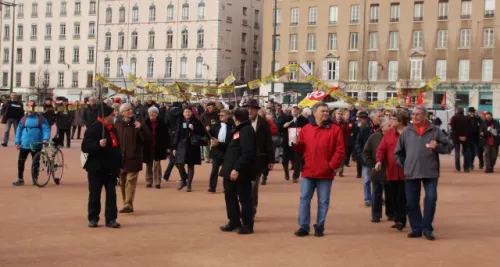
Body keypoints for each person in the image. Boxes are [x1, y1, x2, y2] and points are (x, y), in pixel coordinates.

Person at [395, 105, 452, 240]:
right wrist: (403, 163)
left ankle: (427, 228)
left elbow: (448, 147)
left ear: (425, 115)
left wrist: (437, 146)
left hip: (430, 171)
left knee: (431, 200)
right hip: (411, 171)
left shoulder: (435, 130)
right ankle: (416, 228)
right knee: (411, 202)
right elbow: (398, 152)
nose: (414, 117)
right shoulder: (406, 132)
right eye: (413, 114)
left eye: (418, 114)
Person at [292, 102, 345, 237]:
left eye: (327, 111)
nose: (326, 113)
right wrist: (296, 144)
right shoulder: (306, 128)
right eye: (323, 111)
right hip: (309, 171)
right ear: (315, 113)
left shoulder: (335, 129)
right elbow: (300, 149)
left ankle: (320, 226)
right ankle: (304, 226)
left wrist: (331, 166)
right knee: (304, 199)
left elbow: (340, 151)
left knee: (323, 201)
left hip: (325, 173)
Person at [82, 104, 122, 228]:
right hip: (96, 167)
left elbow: (117, 148)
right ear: (105, 116)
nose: (113, 116)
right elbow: (85, 147)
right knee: (94, 194)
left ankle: (111, 219)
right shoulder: (94, 128)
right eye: (111, 114)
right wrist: (97, 144)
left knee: (111, 194)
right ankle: (93, 218)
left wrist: (120, 165)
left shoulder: (113, 129)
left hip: (110, 168)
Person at [219, 108, 256, 235]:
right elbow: (231, 148)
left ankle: (247, 224)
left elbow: (247, 153)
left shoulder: (246, 131)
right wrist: (218, 144)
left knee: (244, 199)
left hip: (240, 171)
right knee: (230, 197)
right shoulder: (237, 130)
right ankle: (234, 221)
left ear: (236, 118)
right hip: (229, 169)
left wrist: (237, 168)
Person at [376, 109, 410, 231]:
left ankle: (401, 219)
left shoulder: (410, 133)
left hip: (407, 171)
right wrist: (379, 160)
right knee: (393, 196)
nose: (391, 121)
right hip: (391, 170)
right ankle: (398, 218)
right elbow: (381, 149)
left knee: (403, 196)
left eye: (394, 119)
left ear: (401, 121)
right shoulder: (389, 133)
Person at [115, 103, 150, 213]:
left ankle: (128, 204)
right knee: (122, 181)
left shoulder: (139, 123)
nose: (130, 111)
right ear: (122, 113)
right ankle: (126, 202)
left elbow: (148, 138)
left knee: (131, 181)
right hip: (121, 158)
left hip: (134, 157)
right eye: (127, 110)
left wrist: (140, 129)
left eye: (130, 109)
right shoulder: (118, 124)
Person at [242, 99, 273, 219]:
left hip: (257, 160)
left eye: (252, 109)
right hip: (243, 159)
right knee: (243, 187)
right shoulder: (241, 122)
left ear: (256, 110)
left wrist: (271, 159)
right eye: (247, 109)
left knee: (253, 186)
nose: (249, 111)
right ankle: (244, 209)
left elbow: (268, 142)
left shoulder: (263, 124)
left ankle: (252, 210)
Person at [12, 101, 51, 186]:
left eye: (32, 108)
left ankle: (35, 178)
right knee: (21, 162)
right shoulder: (24, 118)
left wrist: (46, 139)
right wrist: (17, 141)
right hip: (24, 144)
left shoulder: (41, 118)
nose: (30, 110)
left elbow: (46, 129)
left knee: (36, 162)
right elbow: (19, 130)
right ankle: (20, 178)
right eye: (28, 108)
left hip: (36, 144)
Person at [363, 117, 393, 223]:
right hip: (377, 170)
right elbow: (366, 153)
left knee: (390, 193)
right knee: (376, 193)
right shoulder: (374, 137)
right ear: (382, 127)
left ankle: (391, 214)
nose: (391, 127)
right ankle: (376, 215)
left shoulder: (396, 137)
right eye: (389, 125)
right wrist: (372, 165)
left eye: (392, 125)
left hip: (391, 170)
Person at [172, 105, 205, 192]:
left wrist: (194, 128)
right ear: (183, 113)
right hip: (181, 145)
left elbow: (202, 132)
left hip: (192, 145)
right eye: (186, 112)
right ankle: (184, 179)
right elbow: (177, 134)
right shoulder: (180, 121)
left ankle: (189, 184)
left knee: (191, 165)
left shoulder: (197, 121)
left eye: (189, 112)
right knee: (179, 163)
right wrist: (174, 147)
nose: (187, 113)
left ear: (192, 112)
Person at [355, 110, 382, 207]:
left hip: (379, 158)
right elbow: (358, 142)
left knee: (380, 180)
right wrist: (361, 154)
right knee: (367, 179)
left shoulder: (383, 128)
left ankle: (378, 198)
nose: (381, 118)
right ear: (373, 117)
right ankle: (367, 198)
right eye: (379, 116)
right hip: (367, 158)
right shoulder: (365, 128)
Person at [280, 105, 308, 183]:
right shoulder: (286, 118)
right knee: (284, 160)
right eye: (293, 109)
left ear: (299, 110)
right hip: (287, 143)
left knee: (297, 160)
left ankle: (295, 176)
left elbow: (307, 130)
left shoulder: (303, 120)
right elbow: (279, 128)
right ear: (291, 110)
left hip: (298, 143)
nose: (295, 110)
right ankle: (286, 172)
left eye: (297, 109)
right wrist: (283, 126)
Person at [209, 109, 233, 193]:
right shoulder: (216, 125)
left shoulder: (232, 126)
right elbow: (211, 134)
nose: (220, 117)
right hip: (216, 150)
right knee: (214, 169)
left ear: (228, 116)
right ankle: (212, 187)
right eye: (220, 115)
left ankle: (226, 188)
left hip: (227, 150)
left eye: (222, 115)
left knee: (226, 170)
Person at [144, 106, 169, 189]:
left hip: (158, 146)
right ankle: (149, 181)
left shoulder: (162, 123)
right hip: (148, 146)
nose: (152, 114)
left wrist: (167, 146)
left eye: (154, 112)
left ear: (157, 114)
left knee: (157, 164)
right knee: (149, 164)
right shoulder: (145, 123)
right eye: (150, 112)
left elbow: (166, 136)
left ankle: (157, 181)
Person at [258, 108, 278, 185]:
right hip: (259, 144)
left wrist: (268, 131)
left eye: (261, 113)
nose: (260, 114)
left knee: (266, 160)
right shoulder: (254, 122)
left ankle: (264, 176)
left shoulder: (268, 121)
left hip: (267, 142)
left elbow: (275, 130)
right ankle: (260, 174)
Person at [449, 107, 471, 172]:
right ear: (463, 111)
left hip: (456, 138)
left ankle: (457, 168)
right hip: (466, 138)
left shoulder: (454, 118)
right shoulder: (467, 118)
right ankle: (466, 168)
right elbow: (469, 129)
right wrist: (465, 136)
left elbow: (453, 129)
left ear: (457, 111)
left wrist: (458, 136)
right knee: (466, 153)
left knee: (457, 153)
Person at [334, 109, 352, 177]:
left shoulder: (345, 123)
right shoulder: (332, 123)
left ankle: (341, 172)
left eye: (341, 114)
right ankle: (334, 170)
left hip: (342, 143)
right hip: (333, 143)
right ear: (335, 114)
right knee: (334, 157)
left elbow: (347, 134)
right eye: (338, 114)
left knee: (341, 157)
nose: (340, 115)